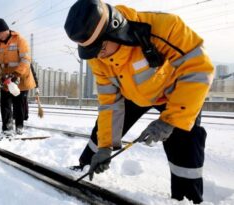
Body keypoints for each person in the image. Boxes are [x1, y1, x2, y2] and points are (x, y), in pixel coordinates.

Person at [64, 0, 214, 203]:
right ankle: (85, 167)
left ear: (115, 29)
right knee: (100, 134)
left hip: (174, 93)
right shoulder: (97, 58)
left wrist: (171, 120)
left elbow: (199, 68)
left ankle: (186, 198)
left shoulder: (163, 27)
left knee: (185, 140)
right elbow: (109, 103)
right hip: (132, 94)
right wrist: (105, 147)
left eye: (100, 48)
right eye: (91, 51)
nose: (97, 56)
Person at [0, 18, 36, 135]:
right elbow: (1, 63)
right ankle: (7, 128)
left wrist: (16, 74)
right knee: (4, 103)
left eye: (0, 33)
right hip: (7, 78)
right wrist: (1, 77)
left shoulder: (20, 40)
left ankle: (19, 126)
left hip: (20, 77)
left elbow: (26, 60)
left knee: (19, 103)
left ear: (6, 29)